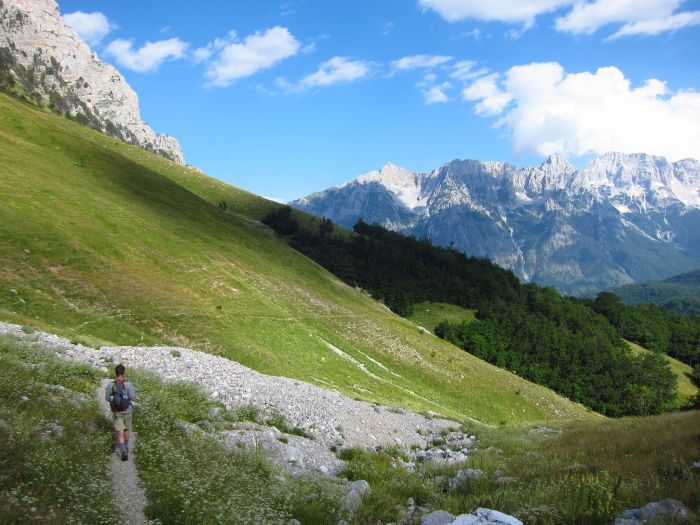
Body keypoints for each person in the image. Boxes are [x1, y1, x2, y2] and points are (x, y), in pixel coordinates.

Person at [105, 363, 137, 461]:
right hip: (127, 410)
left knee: (120, 431)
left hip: (117, 411)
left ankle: (122, 450)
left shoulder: (111, 385)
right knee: (127, 429)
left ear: (115, 372)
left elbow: (107, 398)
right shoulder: (128, 384)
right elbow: (133, 397)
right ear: (124, 373)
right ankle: (126, 447)